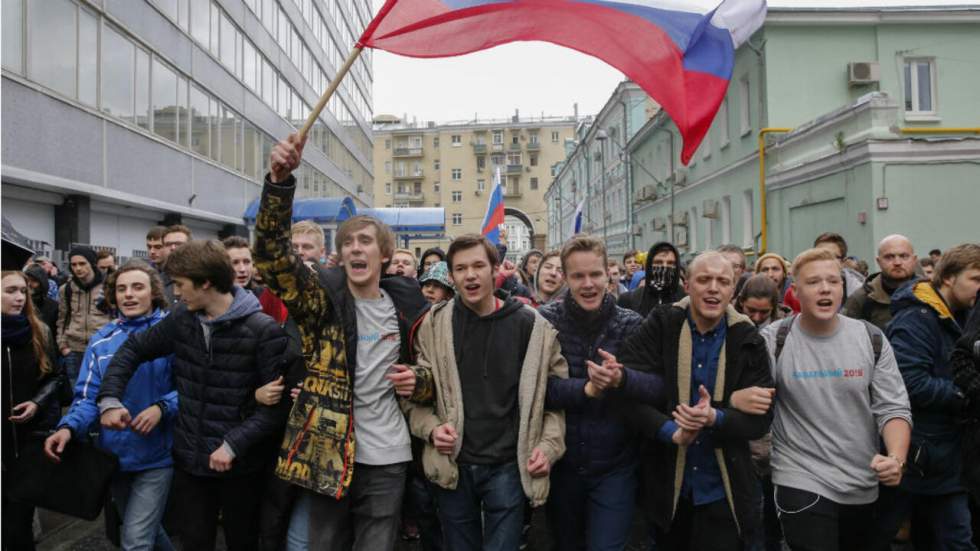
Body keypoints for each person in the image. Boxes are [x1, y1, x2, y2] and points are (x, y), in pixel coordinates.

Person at [254, 133, 431, 550]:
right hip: (328, 448)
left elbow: (431, 372)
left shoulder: (408, 308)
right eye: (347, 242)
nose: (355, 248)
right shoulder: (321, 302)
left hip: (388, 455)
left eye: (364, 241)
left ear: (384, 254)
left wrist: (418, 381)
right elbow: (271, 257)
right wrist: (278, 183)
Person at [97, 240, 297, 551]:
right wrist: (110, 399)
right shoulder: (182, 319)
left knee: (242, 541)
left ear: (205, 282)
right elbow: (134, 349)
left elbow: (277, 406)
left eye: (180, 284)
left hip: (241, 466)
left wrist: (233, 444)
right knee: (192, 542)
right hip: (191, 461)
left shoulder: (263, 331)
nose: (175, 292)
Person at [402, 233, 568, 551]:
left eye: (479, 265)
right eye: (461, 268)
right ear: (451, 276)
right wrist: (433, 429)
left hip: (508, 465)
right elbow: (414, 399)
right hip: (453, 465)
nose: (471, 275)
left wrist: (548, 448)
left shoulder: (532, 326)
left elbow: (553, 401)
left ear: (495, 269)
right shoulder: (435, 325)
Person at [747, 247, 912, 551]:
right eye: (813, 282)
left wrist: (896, 458)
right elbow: (747, 395)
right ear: (794, 291)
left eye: (833, 281)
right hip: (800, 475)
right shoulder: (773, 340)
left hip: (862, 478)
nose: (825, 288)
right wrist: (742, 398)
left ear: (842, 287)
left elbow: (893, 407)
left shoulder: (870, 337)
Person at [615, 251, 773, 550]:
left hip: (723, 488)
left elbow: (761, 421)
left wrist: (716, 416)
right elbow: (626, 397)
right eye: (704, 279)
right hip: (667, 486)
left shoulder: (747, 338)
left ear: (733, 290)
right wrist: (671, 431)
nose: (713, 288)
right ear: (687, 285)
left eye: (722, 281)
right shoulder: (662, 324)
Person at [539, 235, 662, 551]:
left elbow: (658, 387)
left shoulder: (630, 323)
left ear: (609, 273)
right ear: (566, 278)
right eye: (578, 276)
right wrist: (587, 389)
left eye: (594, 274)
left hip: (615, 467)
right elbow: (537, 392)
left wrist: (623, 379)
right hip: (562, 465)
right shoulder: (544, 323)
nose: (588, 284)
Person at [44, 261, 178, 551]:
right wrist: (68, 427)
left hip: (159, 455)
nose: (128, 294)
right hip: (115, 457)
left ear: (154, 292)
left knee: (135, 540)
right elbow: (87, 397)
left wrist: (162, 407)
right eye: (121, 288)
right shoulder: (101, 341)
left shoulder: (174, 332)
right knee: (148, 534)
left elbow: (193, 389)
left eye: (137, 287)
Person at [875, 243, 980, 551]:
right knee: (882, 532)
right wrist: (965, 394)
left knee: (952, 537)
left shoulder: (963, 315)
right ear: (948, 278)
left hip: (949, 452)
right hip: (917, 450)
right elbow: (911, 383)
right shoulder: (917, 319)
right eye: (975, 278)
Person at [2, 270, 63, 551]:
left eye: (22, 291)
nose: (19, 297)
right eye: (10, 290)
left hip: (27, 441)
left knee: (20, 522)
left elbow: (55, 376)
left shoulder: (39, 330)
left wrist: (37, 402)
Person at [57, 245, 112, 386]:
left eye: (82, 263)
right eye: (74, 264)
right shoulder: (66, 289)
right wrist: (63, 346)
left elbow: (116, 317)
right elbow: (63, 318)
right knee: (78, 392)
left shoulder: (108, 287)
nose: (78, 268)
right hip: (74, 350)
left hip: (101, 347)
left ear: (92, 264)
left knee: (103, 390)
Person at [843, 234, 918, 331]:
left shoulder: (931, 294)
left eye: (903, 256)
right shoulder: (861, 299)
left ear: (914, 259)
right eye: (889, 257)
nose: (897, 262)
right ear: (879, 261)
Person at [617, 241, 686, 318]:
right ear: (649, 265)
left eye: (670, 263)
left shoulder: (686, 298)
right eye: (658, 262)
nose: (664, 266)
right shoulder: (628, 299)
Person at [159, 225, 193, 304]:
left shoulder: (201, 280)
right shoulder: (156, 283)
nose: (173, 248)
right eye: (168, 244)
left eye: (178, 244)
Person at [24, 263, 59, 338]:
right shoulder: (20, 304)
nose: (29, 284)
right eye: (27, 280)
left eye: (34, 281)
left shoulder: (54, 307)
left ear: (42, 283)